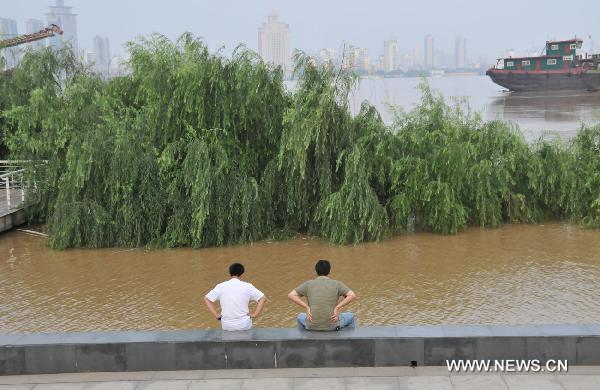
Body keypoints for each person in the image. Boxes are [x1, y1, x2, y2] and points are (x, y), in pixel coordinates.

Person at [287, 259, 357, 331]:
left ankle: (304, 339)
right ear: (329, 271)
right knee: (350, 316)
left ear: (316, 271)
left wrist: (307, 307)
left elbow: (291, 295)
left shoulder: (308, 284)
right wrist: (337, 308)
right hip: (333, 325)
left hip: (311, 325)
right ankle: (348, 340)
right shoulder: (337, 284)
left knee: (300, 316)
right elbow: (352, 295)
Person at [204, 262, 267, 331]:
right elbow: (263, 298)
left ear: (230, 273)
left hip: (227, 326)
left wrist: (216, 315)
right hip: (244, 325)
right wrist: (254, 314)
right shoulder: (247, 286)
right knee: (248, 325)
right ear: (242, 274)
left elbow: (207, 299)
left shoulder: (221, 286)